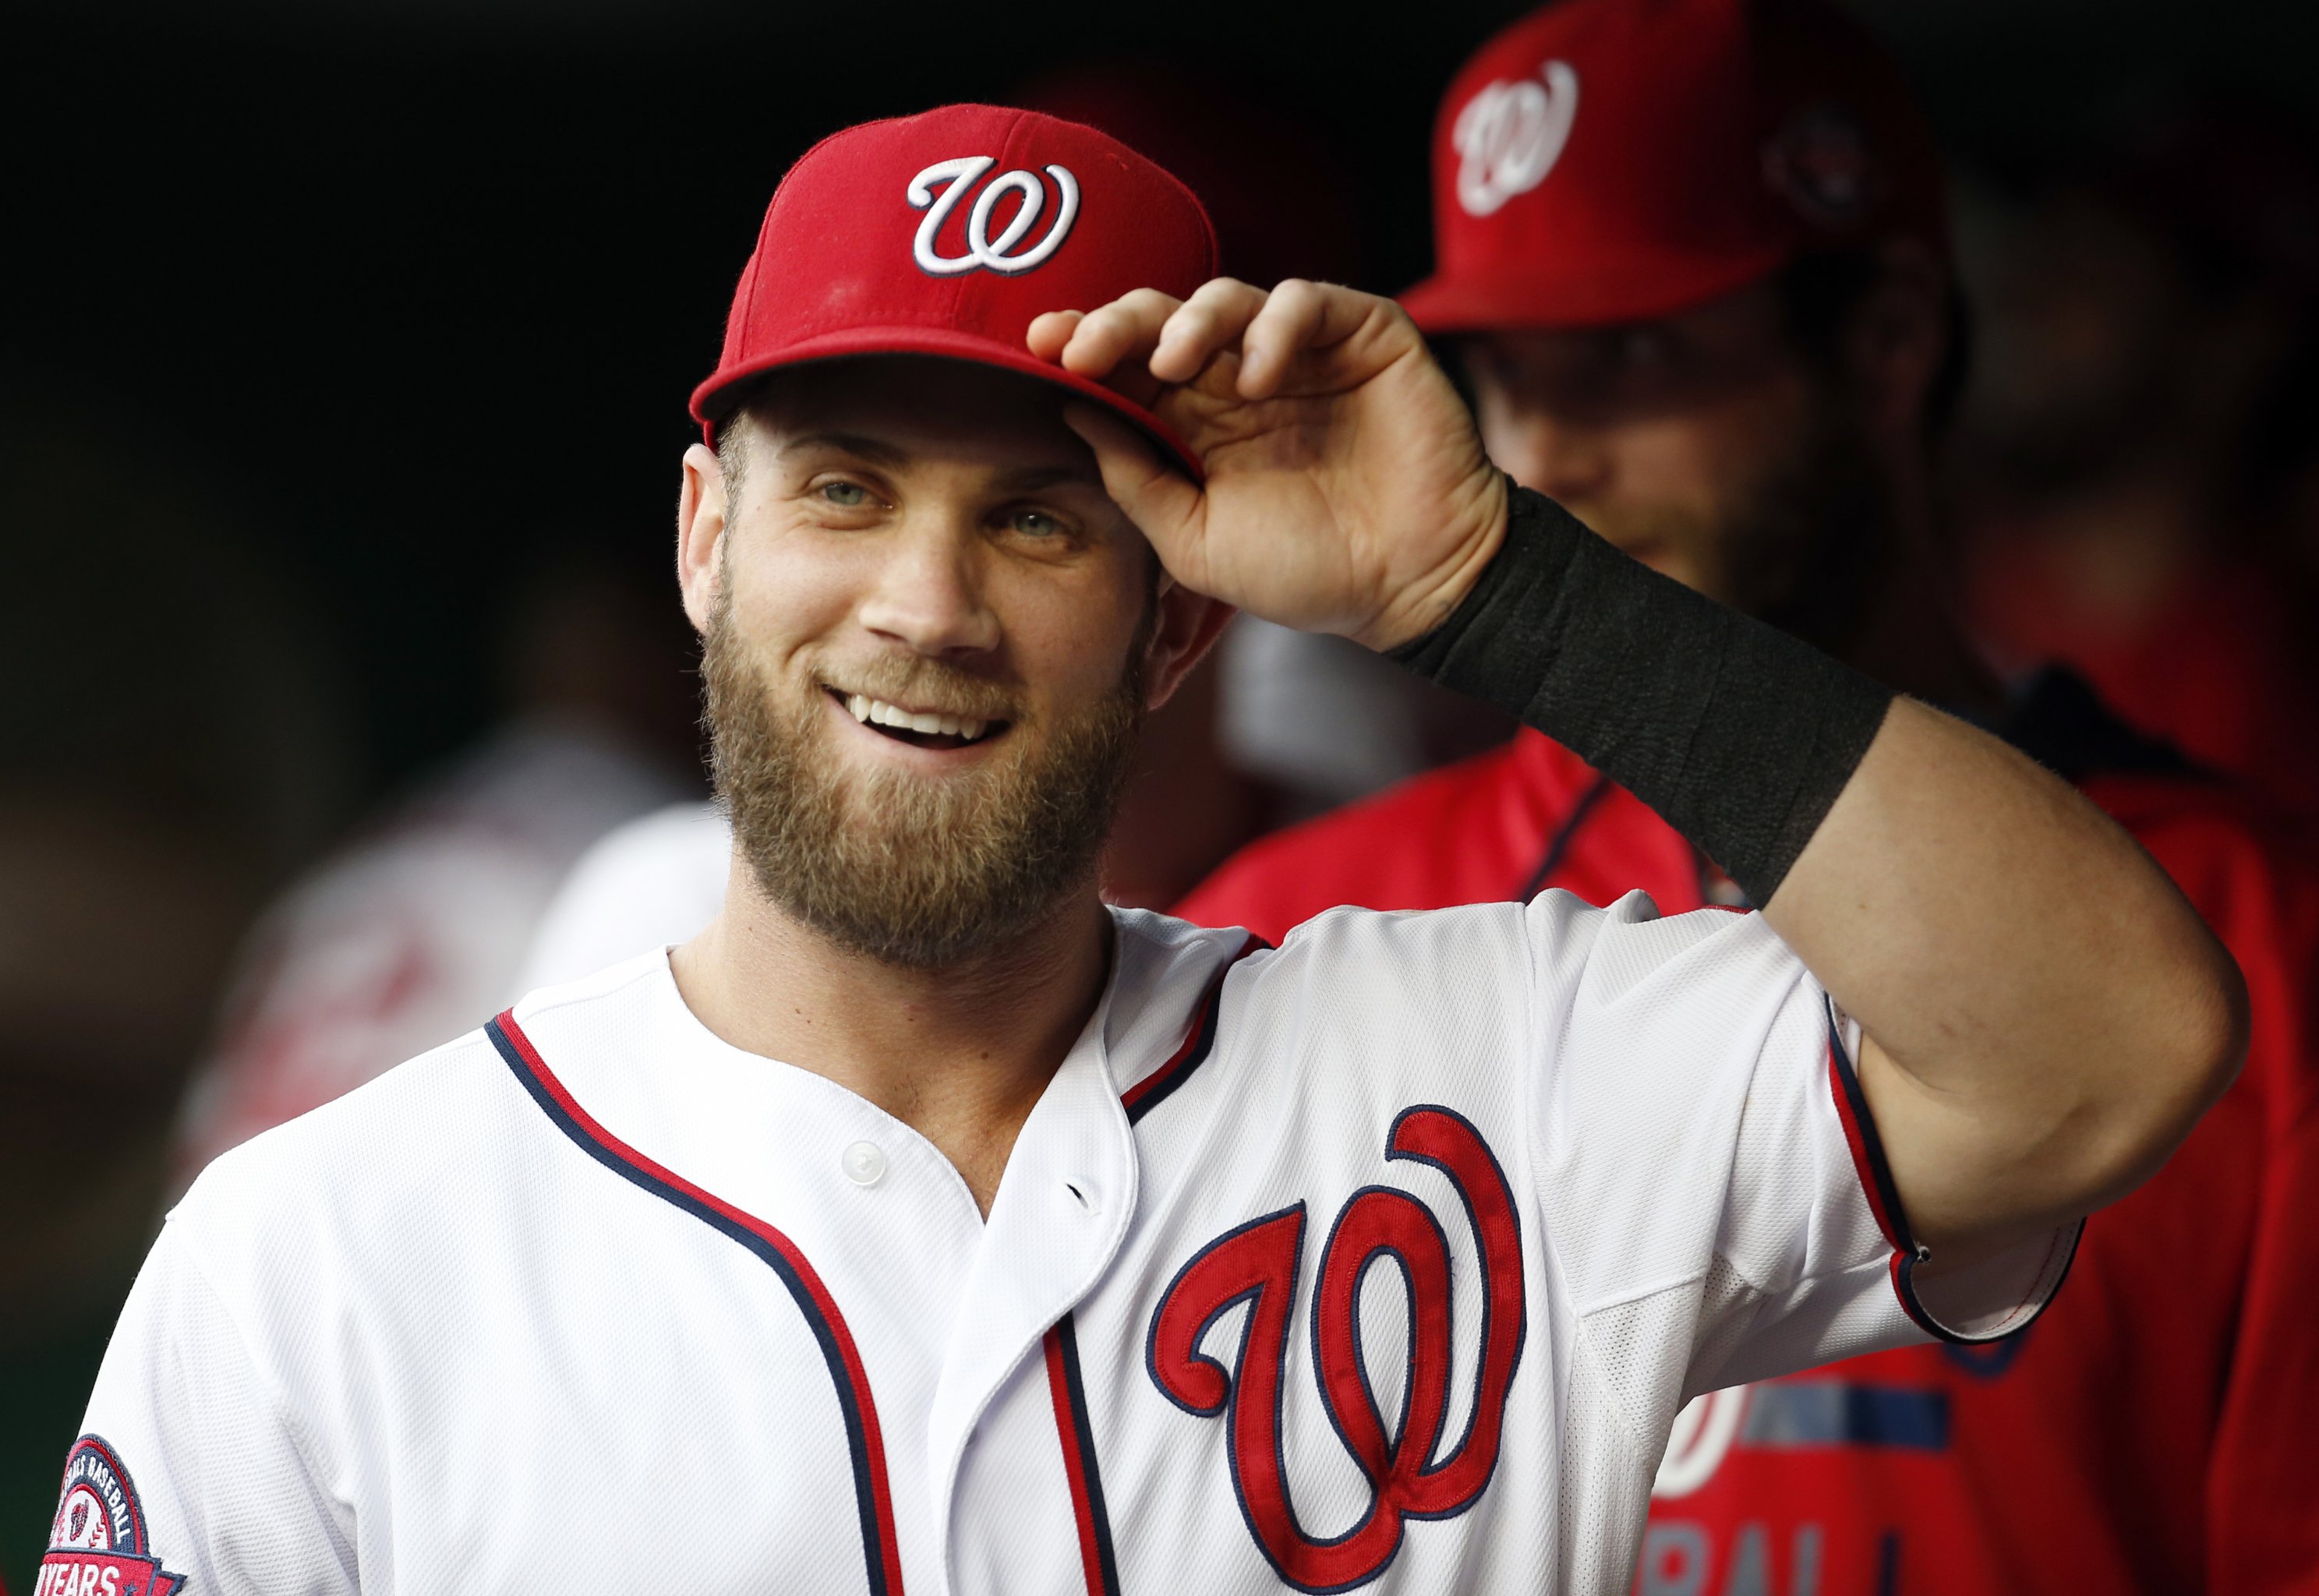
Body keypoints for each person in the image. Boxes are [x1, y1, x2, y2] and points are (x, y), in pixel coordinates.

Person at [39, 103, 2239, 1596]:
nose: (926, 599)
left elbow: (2106, 1043)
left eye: (1036, 514)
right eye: (845, 488)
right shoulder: (314, 1256)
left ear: (1183, 616)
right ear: (707, 534)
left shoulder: (1503, 1071)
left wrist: (1496, 581)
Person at [1174, 3, 2319, 1592]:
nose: (1550, 449)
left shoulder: (2258, 927)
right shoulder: (1292, 930)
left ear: (1888, 339)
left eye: (1639, 353)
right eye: (1507, 370)